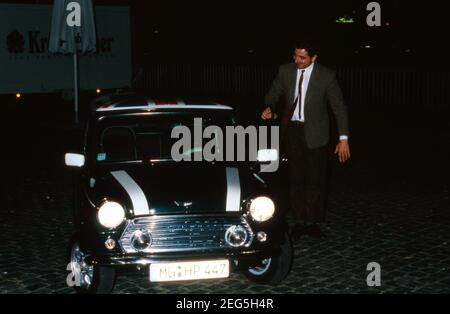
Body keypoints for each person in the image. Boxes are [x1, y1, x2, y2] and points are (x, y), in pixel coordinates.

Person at [261, 42, 350, 239]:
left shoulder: (326, 76)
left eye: (302, 57)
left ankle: (313, 222)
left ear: (314, 57)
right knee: (296, 179)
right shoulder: (285, 71)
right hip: (292, 131)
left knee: (315, 180)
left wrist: (343, 138)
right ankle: (299, 221)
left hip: (317, 133)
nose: (297, 61)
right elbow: (273, 94)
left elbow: (339, 107)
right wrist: (270, 107)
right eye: (295, 56)